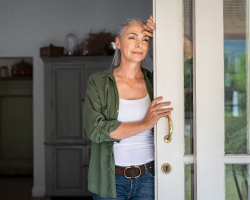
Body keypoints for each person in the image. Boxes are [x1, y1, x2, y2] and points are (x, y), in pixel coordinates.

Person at [84, 15, 172, 200]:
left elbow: (191, 66)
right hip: (110, 181)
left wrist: (166, 32)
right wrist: (144, 124)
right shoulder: (99, 82)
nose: (139, 44)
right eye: (132, 37)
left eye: (145, 39)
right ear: (118, 42)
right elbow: (96, 130)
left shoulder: (155, 82)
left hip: (149, 178)